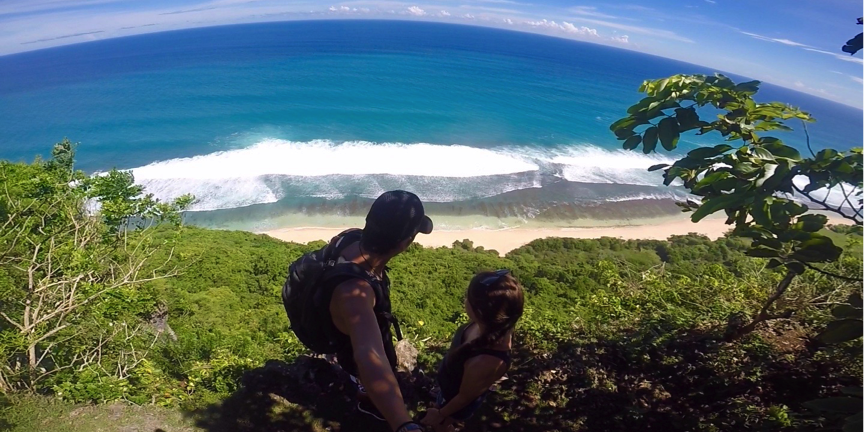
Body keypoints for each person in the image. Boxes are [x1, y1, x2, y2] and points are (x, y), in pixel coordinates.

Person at [284, 190, 433, 432]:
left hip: (331, 315)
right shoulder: (355, 295)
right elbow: (369, 358)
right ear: (405, 243)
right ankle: (367, 402)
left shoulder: (351, 238)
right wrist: (403, 424)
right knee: (360, 369)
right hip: (343, 337)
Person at [421, 270, 525, 432]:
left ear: (479, 311)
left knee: (441, 426)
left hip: (455, 403)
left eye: (468, 297)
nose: (465, 300)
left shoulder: (487, 361)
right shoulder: (490, 324)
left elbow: (465, 397)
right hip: (450, 389)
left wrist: (440, 413)